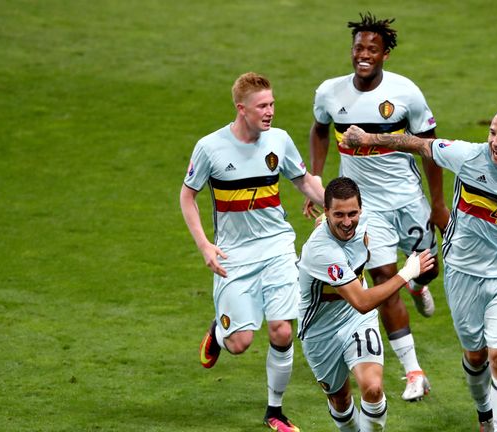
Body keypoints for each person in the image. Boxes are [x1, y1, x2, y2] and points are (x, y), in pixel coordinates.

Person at [342, 100, 497, 432]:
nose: (495, 142)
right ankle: (484, 413)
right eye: (492, 133)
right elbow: (417, 144)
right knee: (475, 358)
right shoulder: (467, 155)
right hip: (462, 273)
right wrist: (368, 139)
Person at [307, 12, 447, 401]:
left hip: (407, 200)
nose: (363, 55)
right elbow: (319, 129)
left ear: (386, 54)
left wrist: (437, 204)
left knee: (425, 271)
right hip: (368, 209)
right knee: (385, 281)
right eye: (358, 48)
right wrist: (315, 178)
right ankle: (413, 371)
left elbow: (430, 149)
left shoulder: (406, 94)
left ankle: (418, 286)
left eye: (372, 49)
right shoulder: (331, 93)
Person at [180, 72, 325, 432]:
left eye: (272, 104)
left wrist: (339, 208)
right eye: (262, 106)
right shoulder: (210, 147)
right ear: (240, 109)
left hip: (277, 247)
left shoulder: (279, 140)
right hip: (234, 256)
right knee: (240, 343)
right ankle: (219, 334)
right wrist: (205, 246)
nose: (270, 111)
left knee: (281, 332)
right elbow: (187, 196)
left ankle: (275, 412)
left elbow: (304, 181)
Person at [298, 176, 434, 431]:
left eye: (353, 213)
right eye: (338, 215)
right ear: (326, 211)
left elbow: (360, 306)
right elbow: (361, 301)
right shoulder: (320, 251)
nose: (348, 222)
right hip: (319, 330)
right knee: (340, 401)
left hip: (355, 319)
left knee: (372, 388)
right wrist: (407, 274)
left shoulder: (365, 221)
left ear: (361, 209)